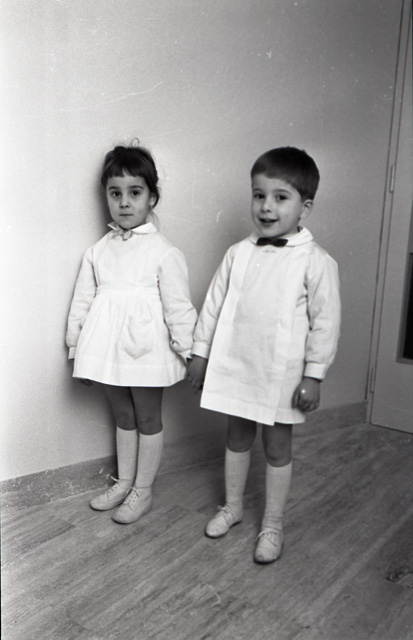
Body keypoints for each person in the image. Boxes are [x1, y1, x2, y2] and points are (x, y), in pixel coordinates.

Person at [187, 147, 340, 563]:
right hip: (238, 362)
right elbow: (214, 305)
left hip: (281, 373)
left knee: (276, 446)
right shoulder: (238, 252)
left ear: (305, 207)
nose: (266, 206)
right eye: (259, 195)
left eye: (280, 197)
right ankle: (233, 507)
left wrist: (314, 375)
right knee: (237, 436)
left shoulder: (315, 261)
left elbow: (326, 323)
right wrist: (200, 352)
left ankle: (272, 523)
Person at [66, 142, 197, 524]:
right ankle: (124, 482)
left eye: (135, 192)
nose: (124, 202)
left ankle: (143, 489)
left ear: (151, 197)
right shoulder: (97, 251)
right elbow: (82, 301)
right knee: (122, 414)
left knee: (147, 416)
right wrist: (77, 349)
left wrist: (189, 351)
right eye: (115, 193)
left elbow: (178, 307)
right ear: (106, 197)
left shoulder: (164, 252)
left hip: (145, 348)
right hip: (106, 348)